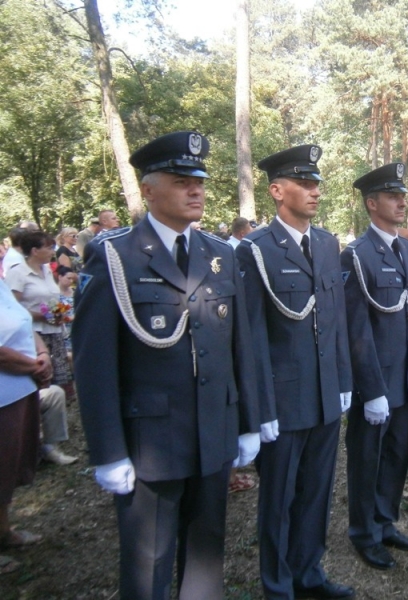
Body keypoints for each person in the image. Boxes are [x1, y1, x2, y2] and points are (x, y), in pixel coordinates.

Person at [72, 131, 263, 599]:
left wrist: (246, 423)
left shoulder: (218, 255)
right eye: (181, 181)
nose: (196, 189)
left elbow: (241, 348)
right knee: (149, 561)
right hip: (151, 441)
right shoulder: (115, 256)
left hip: (212, 431)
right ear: (149, 190)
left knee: (205, 551)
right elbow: (94, 363)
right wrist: (108, 450)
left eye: (198, 181)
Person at [237, 145, 354, 600]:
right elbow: (249, 338)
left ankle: (309, 573)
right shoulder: (255, 250)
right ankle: (278, 586)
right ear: (276, 190)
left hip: (325, 394)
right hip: (283, 400)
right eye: (303, 183)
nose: (314, 191)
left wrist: (343, 380)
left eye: (316, 183)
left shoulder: (326, 243)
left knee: (317, 492)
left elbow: (337, 320)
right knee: (279, 500)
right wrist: (259, 407)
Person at [341, 162, 408, 571]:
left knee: (398, 453)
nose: (402, 202)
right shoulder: (357, 256)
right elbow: (357, 329)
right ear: (371, 203)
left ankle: (386, 520)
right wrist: (371, 389)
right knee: (368, 458)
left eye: (403, 195)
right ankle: (364, 532)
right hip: (377, 382)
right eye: (393, 196)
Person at [0, 278, 49, 574]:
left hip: (19, 391)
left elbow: (24, 323)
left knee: (7, 467)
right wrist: (34, 366)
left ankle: (4, 531)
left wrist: (42, 355)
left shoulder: (2, 284)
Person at [5, 231, 73, 392]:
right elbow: (12, 308)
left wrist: (58, 313)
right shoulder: (17, 272)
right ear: (35, 251)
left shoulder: (47, 270)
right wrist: (40, 316)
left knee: (61, 379)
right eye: (48, 248)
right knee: (42, 379)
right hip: (34, 334)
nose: (52, 252)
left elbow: (50, 297)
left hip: (54, 330)